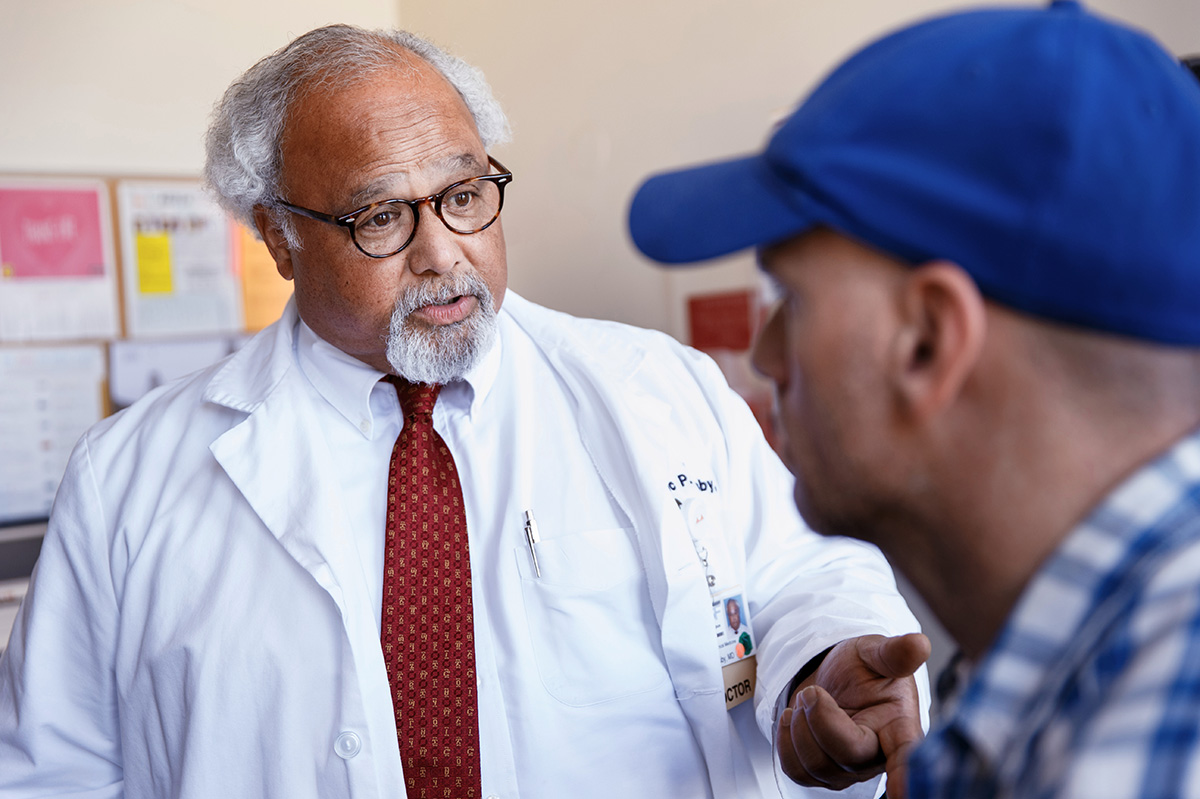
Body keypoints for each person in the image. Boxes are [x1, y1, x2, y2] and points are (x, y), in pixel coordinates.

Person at [0, 23, 928, 799]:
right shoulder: (126, 479)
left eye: (465, 195)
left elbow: (800, 572)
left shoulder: (655, 388)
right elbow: (56, 770)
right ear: (279, 238)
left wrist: (818, 669)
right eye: (379, 218)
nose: (443, 253)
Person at [628, 1, 1200, 796]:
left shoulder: (1153, 741)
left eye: (793, 298)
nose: (764, 354)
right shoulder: (1071, 682)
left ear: (928, 341)